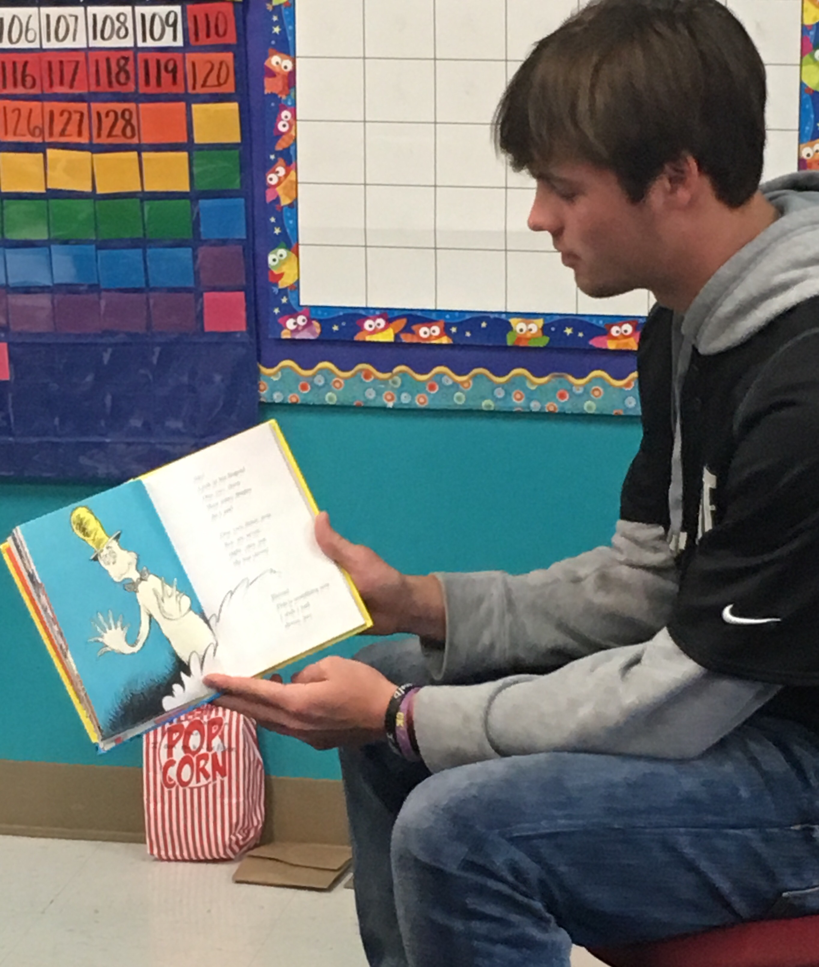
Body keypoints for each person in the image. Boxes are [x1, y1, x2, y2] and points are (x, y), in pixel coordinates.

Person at [204, 1, 819, 963]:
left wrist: (404, 718)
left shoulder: (801, 389)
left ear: (675, 179)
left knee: (455, 827)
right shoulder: (685, 319)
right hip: (742, 704)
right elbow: (644, 583)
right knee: (393, 679)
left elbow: (683, 697)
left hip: (793, 759)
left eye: (562, 189)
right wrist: (416, 603)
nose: (539, 218)